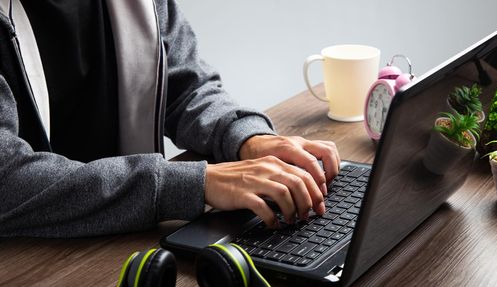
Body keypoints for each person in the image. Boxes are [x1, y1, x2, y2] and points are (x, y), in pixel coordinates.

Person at [0, 0, 340, 237]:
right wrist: (195, 183)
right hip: (28, 270)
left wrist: (248, 139)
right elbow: (7, 181)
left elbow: (185, 85)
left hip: (129, 242)